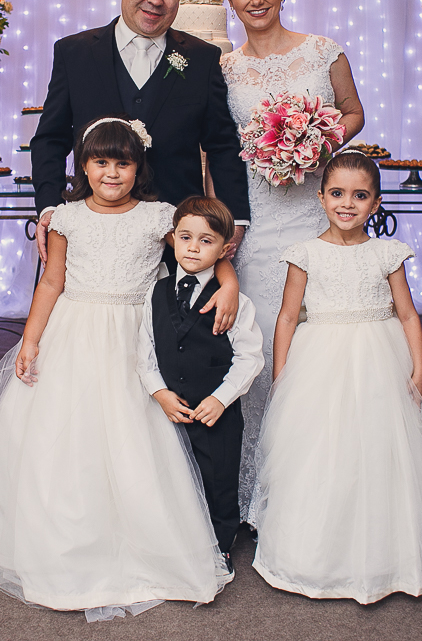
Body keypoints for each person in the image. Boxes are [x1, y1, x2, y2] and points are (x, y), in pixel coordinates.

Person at [0, 117, 229, 622]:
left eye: (122, 163)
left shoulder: (158, 217)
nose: (111, 173)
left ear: (138, 166)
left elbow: (205, 251)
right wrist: (31, 339)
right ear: (82, 165)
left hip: (136, 337)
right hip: (76, 331)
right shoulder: (66, 218)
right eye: (100, 161)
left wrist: (230, 282)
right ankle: (68, 541)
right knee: (69, 434)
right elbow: (51, 282)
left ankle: (144, 540)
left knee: (135, 433)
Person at [248, 150, 422, 604]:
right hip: (320, 360)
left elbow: (408, 314)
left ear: (375, 203)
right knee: (324, 448)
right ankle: (316, 556)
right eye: (337, 193)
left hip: (380, 359)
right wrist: (282, 374)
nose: (347, 203)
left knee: (385, 447)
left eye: (360, 196)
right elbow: (286, 317)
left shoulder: (387, 253)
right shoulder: (304, 254)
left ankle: (392, 552)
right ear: (320, 197)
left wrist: (418, 368)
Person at [31, 0, 252, 331]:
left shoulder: (201, 58)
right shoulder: (74, 52)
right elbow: (50, 138)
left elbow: (222, 144)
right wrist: (49, 207)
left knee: (176, 352)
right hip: (93, 238)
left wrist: (235, 217)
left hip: (178, 235)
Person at [218, 0, 367, 513]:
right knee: (259, 344)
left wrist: (315, 139)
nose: (256, 0)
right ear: (231, 0)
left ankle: (330, 485)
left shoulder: (323, 51)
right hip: (256, 221)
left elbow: (355, 111)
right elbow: (221, 145)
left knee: (325, 340)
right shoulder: (225, 66)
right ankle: (264, 489)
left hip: (313, 213)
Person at [136, 196, 265, 576]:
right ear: (172, 238)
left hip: (215, 413)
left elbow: (250, 358)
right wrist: (158, 392)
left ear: (225, 249)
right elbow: (144, 351)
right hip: (169, 410)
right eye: (185, 237)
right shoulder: (156, 293)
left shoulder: (235, 301)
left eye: (206, 241)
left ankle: (221, 545)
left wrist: (220, 400)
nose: (193, 247)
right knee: (173, 476)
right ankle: (179, 539)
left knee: (217, 479)